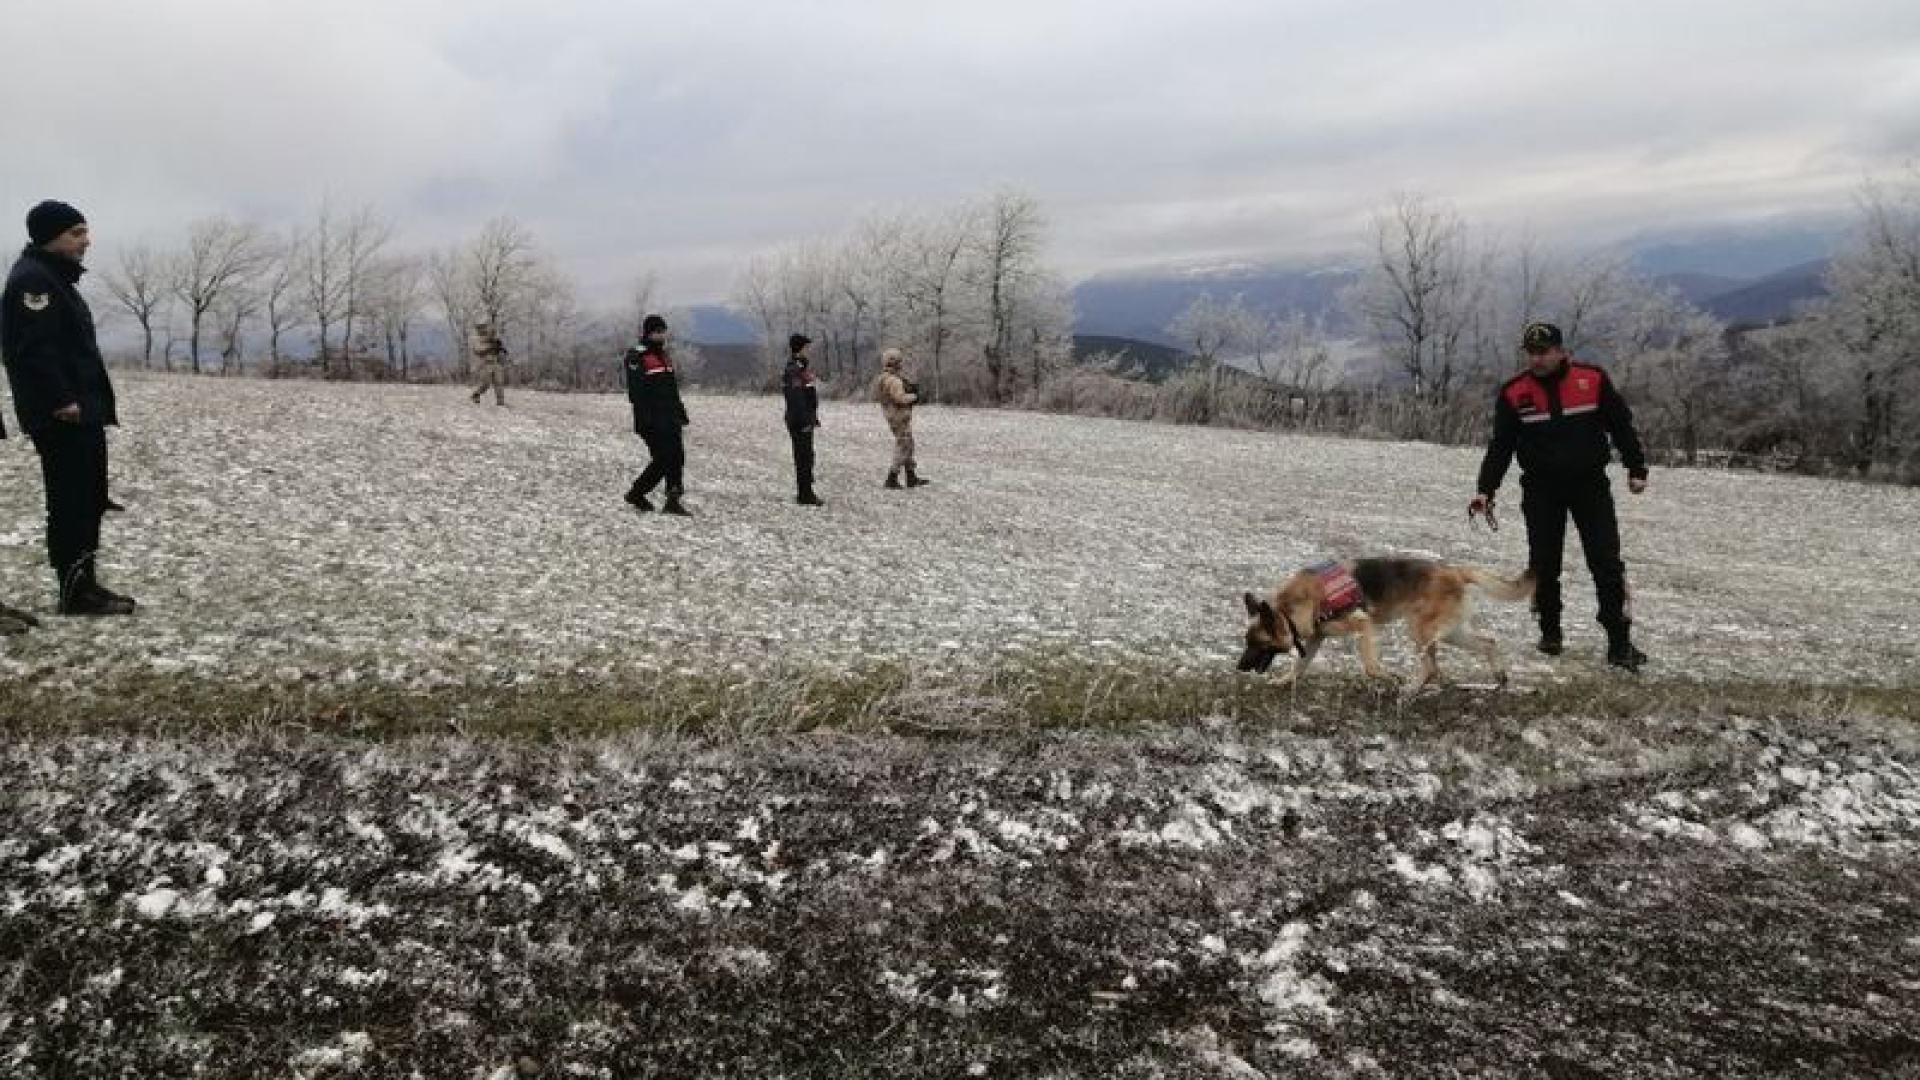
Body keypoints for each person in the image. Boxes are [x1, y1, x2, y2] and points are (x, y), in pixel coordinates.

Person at [1472, 320, 1647, 670]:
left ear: (1562, 351)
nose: (1537, 359)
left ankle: (1619, 642)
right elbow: (1501, 446)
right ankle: (1550, 631)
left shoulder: (1592, 380)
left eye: (1544, 352)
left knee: (1607, 563)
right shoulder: (1513, 392)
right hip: (1541, 490)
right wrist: (1486, 489)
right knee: (1544, 564)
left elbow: (1621, 426)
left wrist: (1636, 467)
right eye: (1531, 352)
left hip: (1590, 487)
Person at [0, 200, 134, 616]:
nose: (86, 241)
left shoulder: (53, 278)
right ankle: (75, 591)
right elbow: (32, 353)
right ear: (50, 236)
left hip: (81, 411)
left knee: (86, 497)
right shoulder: (33, 283)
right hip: (65, 416)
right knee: (71, 500)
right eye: (76, 233)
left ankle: (83, 585)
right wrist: (62, 401)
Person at [622, 314, 691, 516]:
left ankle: (673, 499)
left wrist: (680, 412)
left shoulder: (664, 356)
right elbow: (636, 393)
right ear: (648, 332)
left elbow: (672, 389)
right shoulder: (637, 356)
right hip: (652, 419)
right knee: (663, 459)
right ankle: (636, 493)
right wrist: (646, 419)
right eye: (658, 331)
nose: (662, 335)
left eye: (663, 331)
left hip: (670, 417)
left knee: (677, 457)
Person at [872, 347, 927, 488]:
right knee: (904, 445)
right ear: (895, 363)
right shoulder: (893, 380)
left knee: (908, 444)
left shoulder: (883, 378)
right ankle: (892, 478)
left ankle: (911, 477)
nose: (901, 364)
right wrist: (915, 397)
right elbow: (900, 398)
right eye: (899, 361)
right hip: (899, 416)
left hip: (892, 416)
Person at [782, 333, 823, 506]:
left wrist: (813, 418)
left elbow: (808, 396)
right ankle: (804, 495)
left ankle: (807, 491)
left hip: (806, 419)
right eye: (806, 347)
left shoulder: (802, 368)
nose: (809, 350)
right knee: (803, 457)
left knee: (808, 456)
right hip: (799, 421)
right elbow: (796, 399)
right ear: (799, 348)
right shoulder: (794, 370)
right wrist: (805, 421)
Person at [468, 322, 509, 405]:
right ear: (477, 329)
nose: (483, 329)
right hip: (485, 363)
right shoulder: (475, 339)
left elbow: (498, 346)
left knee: (499, 382)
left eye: (484, 327)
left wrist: (500, 349)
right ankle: (476, 394)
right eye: (480, 327)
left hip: (495, 362)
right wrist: (490, 347)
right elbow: (478, 350)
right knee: (485, 383)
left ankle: (500, 402)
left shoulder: (491, 337)